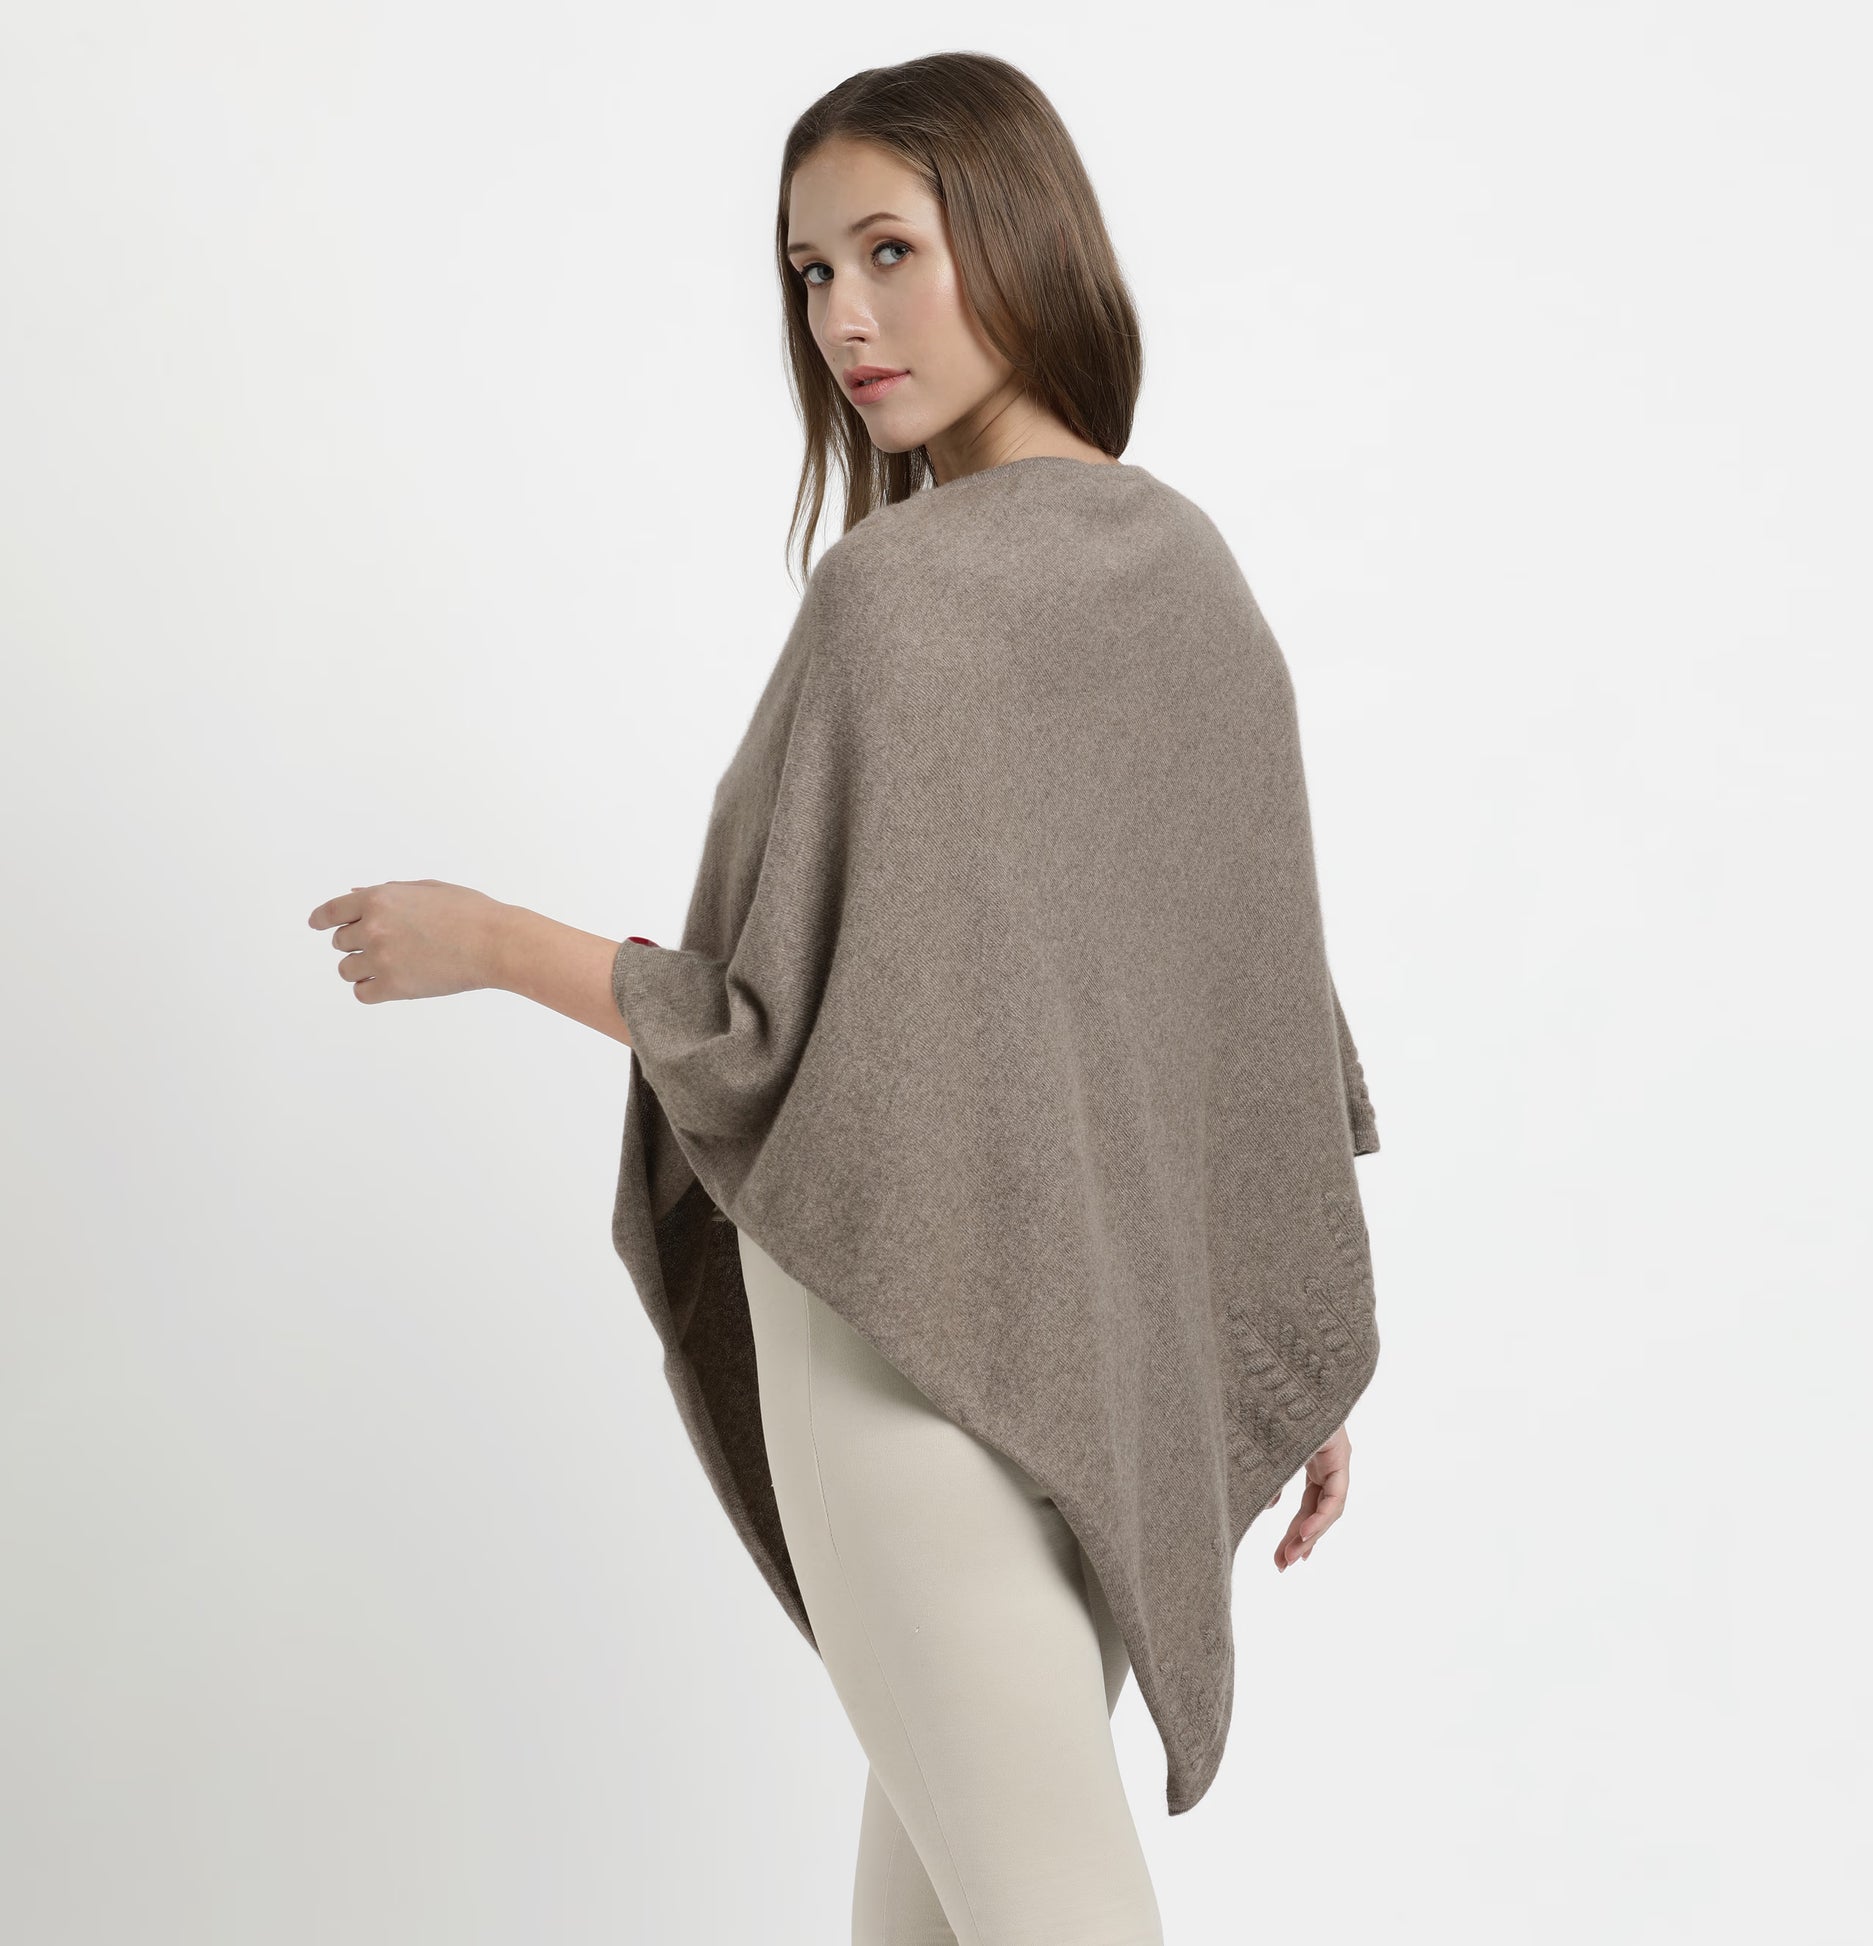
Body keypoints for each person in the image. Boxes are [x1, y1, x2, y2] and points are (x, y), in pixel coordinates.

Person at [307, 52, 1380, 1946]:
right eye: (810, 272)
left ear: (1019, 236)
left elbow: (1202, 1018)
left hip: (957, 1353)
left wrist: (490, 939)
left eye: (890, 251)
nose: (844, 320)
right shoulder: (1149, 576)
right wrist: (1245, 1322)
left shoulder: (950, 598)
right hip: (952, 1354)